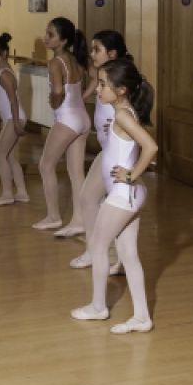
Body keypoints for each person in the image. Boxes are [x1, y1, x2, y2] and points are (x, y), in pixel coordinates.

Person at [70, 58, 157, 334]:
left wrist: (132, 174)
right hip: (130, 194)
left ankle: (98, 307)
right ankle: (142, 316)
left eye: (103, 84)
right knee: (128, 254)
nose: (98, 89)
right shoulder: (124, 112)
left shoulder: (122, 115)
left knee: (97, 244)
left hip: (123, 194)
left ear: (121, 90)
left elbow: (151, 147)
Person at [70, 30, 131, 272]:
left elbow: (138, 110)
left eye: (97, 49)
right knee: (88, 199)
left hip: (118, 157)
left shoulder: (122, 81)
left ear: (112, 54)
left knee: (117, 210)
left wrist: (122, 121)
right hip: (106, 152)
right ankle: (96, 252)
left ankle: (119, 259)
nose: (92, 53)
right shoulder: (104, 77)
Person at [33, 17, 90, 235]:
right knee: (76, 173)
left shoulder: (56, 62)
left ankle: (53, 217)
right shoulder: (74, 59)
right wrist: (81, 97)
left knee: (45, 166)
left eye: (51, 35)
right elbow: (93, 78)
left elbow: (58, 91)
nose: (46, 37)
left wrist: (53, 101)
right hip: (83, 119)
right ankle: (79, 220)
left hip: (67, 120)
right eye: (46, 33)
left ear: (63, 40)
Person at [0, 32, 29, 206]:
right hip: (10, 117)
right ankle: (22, 193)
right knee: (10, 156)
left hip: (14, 118)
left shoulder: (5, 74)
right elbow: (4, 99)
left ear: (3, 54)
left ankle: (7, 193)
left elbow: (13, 100)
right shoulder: (3, 71)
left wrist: (16, 122)